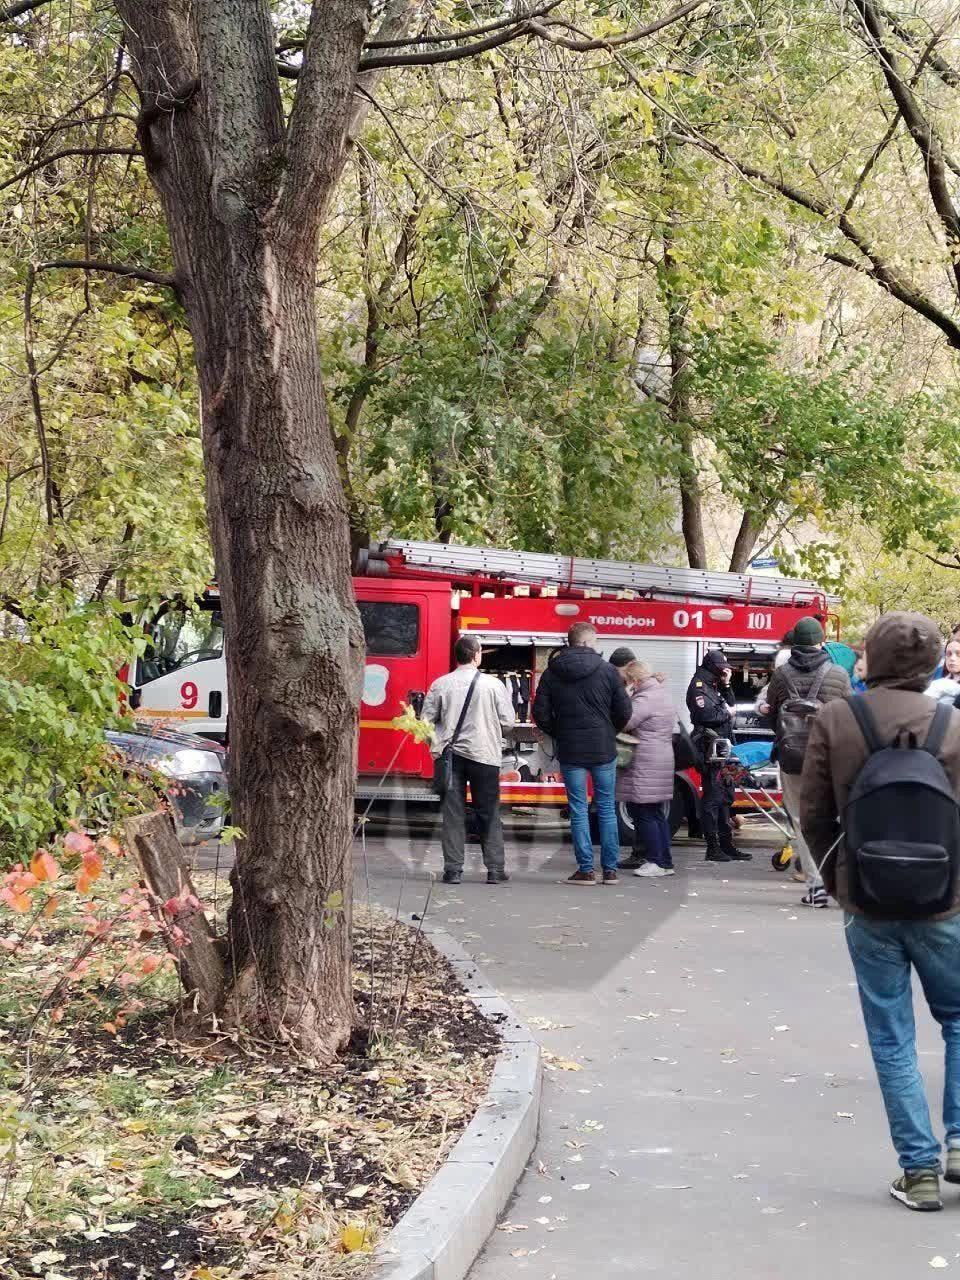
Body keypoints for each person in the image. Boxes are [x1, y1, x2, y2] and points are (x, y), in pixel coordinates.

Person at [801, 611, 960, 1212]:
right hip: (947, 899)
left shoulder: (839, 719)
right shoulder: (953, 724)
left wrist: (837, 880)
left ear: (874, 657)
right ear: (930, 663)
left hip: (865, 899)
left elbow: (815, 813)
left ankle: (917, 1172)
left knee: (891, 1035)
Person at [533, 623, 632, 885]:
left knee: (578, 810)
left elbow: (540, 712)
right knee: (607, 808)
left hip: (571, 749)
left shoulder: (552, 672)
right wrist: (609, 730)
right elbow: (624, 711)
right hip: (603, 748)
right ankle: (610, 870)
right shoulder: (608, 671)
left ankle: (586, 870)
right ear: (588, 643)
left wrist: (559, 731)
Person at [764, 615, 851, 907]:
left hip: (793, 759)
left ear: (795, 643)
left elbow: (772, 712)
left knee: (802, 822)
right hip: (830, 758)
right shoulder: (838, 674)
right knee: (835, 819)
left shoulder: (781, 674)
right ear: (821, 641)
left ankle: (816, 887)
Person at [421, 634, 515, 886]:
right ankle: (495, 869)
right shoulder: (493, 685)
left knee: (453, 813)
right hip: (484, 755)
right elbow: (507, 721)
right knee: (489, 811)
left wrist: (437, 744)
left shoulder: (441, 684)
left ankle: (453, 870)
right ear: (476, 655)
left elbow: (425, 722)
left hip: (450, 756)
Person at [609, 650, 677, 879]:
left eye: (629, 682)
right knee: (655, 813)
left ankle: (655, 861)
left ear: (635, 680)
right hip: (659, 758)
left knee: (644, 814)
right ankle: (664, 861)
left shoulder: (645, 697)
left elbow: (625, 721)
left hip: (646, 761)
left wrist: (626, 695)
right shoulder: (660, 693)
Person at [686, 648, 750, 863]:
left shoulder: (714, 686)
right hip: (710, 751)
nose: (724, 672)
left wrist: (727, 684)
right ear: (712, 668)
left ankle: (727, 844)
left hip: (723, 750)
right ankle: (712, 847)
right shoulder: (698, 687)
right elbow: (706, 715)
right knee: (713, 798)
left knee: (725, 797)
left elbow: (731, 706)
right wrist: (727, 713)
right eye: (722, 670)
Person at [926, 637, 960, 703]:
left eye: (958, 654)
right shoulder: (939, 677)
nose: (952, 658)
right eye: (949, 654)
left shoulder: (941, 684)